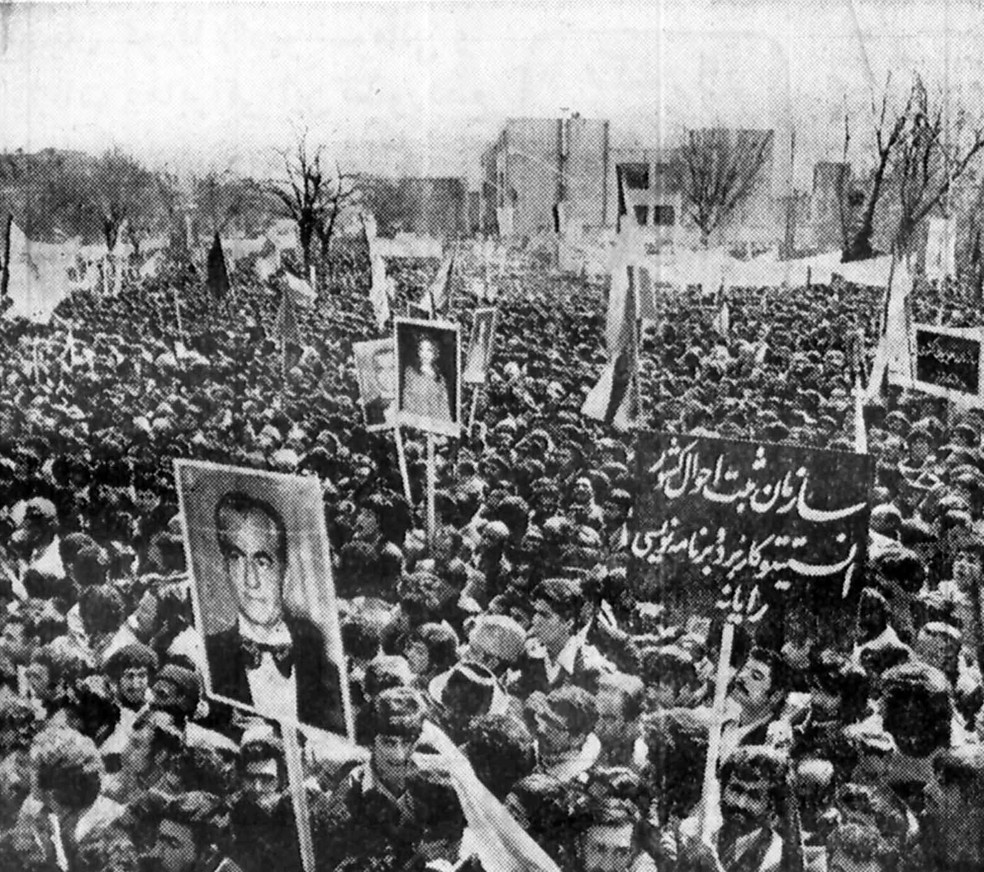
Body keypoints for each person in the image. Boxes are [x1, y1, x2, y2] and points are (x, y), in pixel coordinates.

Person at [203, 491, 345, 734]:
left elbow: (337, 732)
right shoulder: (209, 656)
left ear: (285, 574)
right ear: (226, 569)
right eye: (236, 558)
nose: (250, 580)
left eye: (262, 561)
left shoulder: (318, 656)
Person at [401, 334, 453, 424]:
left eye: (429, 350)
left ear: (435, 353)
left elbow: (444, 407)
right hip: (415, 423)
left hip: (435, 425)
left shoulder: (440, 379)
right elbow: (407, 399)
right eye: (421, 349)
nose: (424, 354)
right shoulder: (410, 373)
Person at [362, 344, 397, 429]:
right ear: (375, 374)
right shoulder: (368, 410)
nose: (387, 374)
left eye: (392, 368)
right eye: (380, 369)